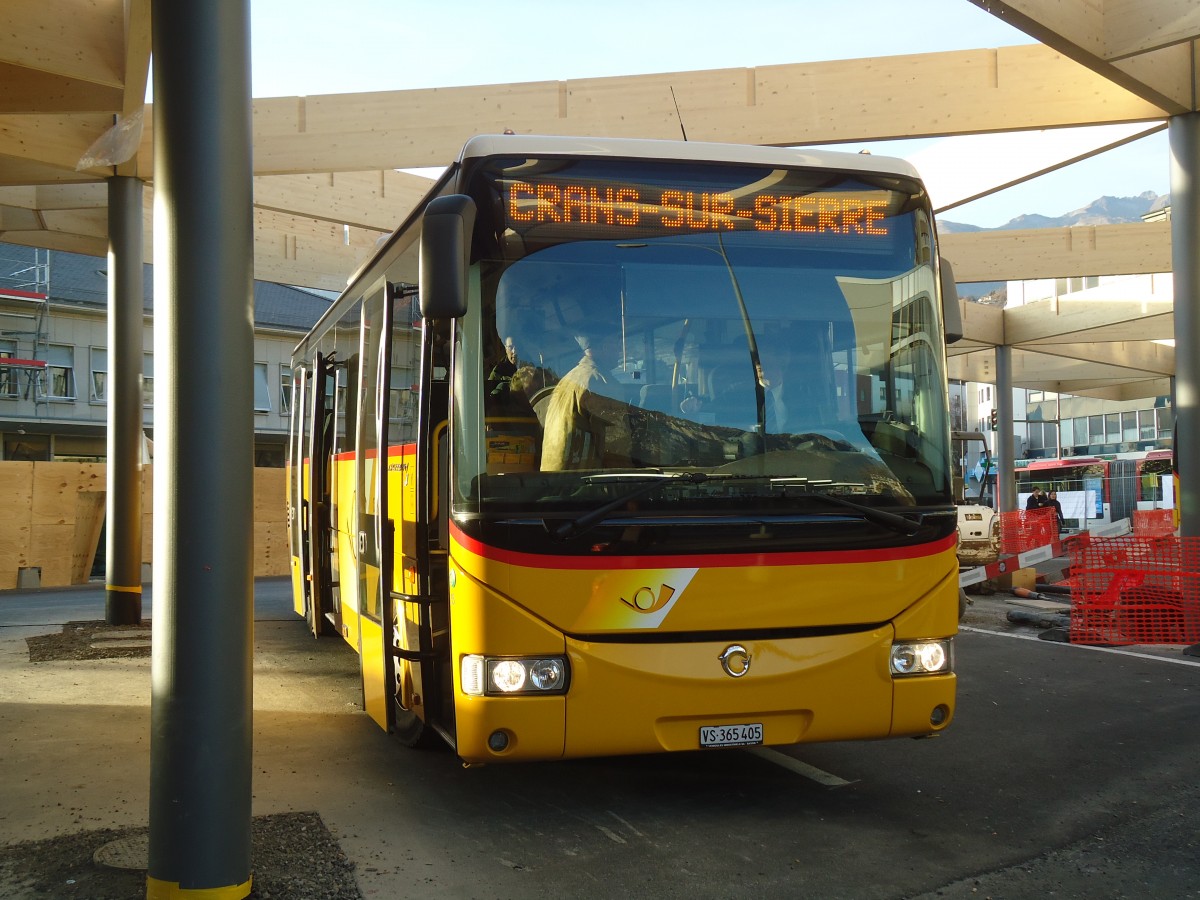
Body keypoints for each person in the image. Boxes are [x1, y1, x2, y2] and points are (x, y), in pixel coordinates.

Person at [540, 328, 624, 471]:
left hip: (554, 478)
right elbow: (617, 444)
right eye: (617, 344)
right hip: (582, 483)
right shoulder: (601, 382)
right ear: (605, 346)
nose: (620, 351)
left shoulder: (567, 379)